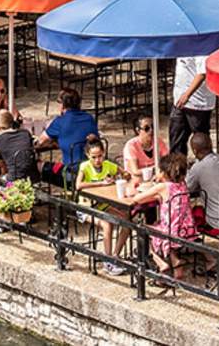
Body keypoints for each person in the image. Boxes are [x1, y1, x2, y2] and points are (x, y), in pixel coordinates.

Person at [131, 152, 198, 281]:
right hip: (185, 230)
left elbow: (137, 199)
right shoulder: (182, 184)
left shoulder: (163, 187)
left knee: (139, 227)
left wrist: (154, 186)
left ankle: (160, 263)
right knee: (158, 223)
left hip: (170, 233)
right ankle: (176, 262)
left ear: (163, 172)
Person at [75, 136, 130, 276]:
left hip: (103, 205)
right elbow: (78, 185)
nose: (97, 160)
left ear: (104, 153)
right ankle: (107, 261)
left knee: (127, 221)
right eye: (94, 157)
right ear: (88, 155)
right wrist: (100, 183)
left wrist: (121, 177)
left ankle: (115, 255)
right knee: (107, 224)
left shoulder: (107, 165)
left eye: (100, 156)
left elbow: (124, 173)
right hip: (86, 207)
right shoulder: (85, 167)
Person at [37, 88, 98, 188]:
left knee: (39, 166)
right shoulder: (89, 118)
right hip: (92, 170)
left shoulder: (60, 121)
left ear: (62, 105)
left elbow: (40, 141)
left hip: (71, 174)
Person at [169, 56, 215, 155]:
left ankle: (206, 167)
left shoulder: (201, 47)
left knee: (201, 143)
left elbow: (202, 73)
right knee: (176, 140)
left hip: (198, 104)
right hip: (179, 102)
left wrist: (187, 94)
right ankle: (178, 167)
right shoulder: (184, 44)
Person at [123, 111, 168, 183]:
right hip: (137, 182)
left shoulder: (158, 142)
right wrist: (155, 169)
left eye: (152, 127)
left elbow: (168, 162)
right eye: (147, 128)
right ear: (138, 130)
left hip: (156, 179)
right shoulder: (131, 146)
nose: (151, 130)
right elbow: (135, 171)